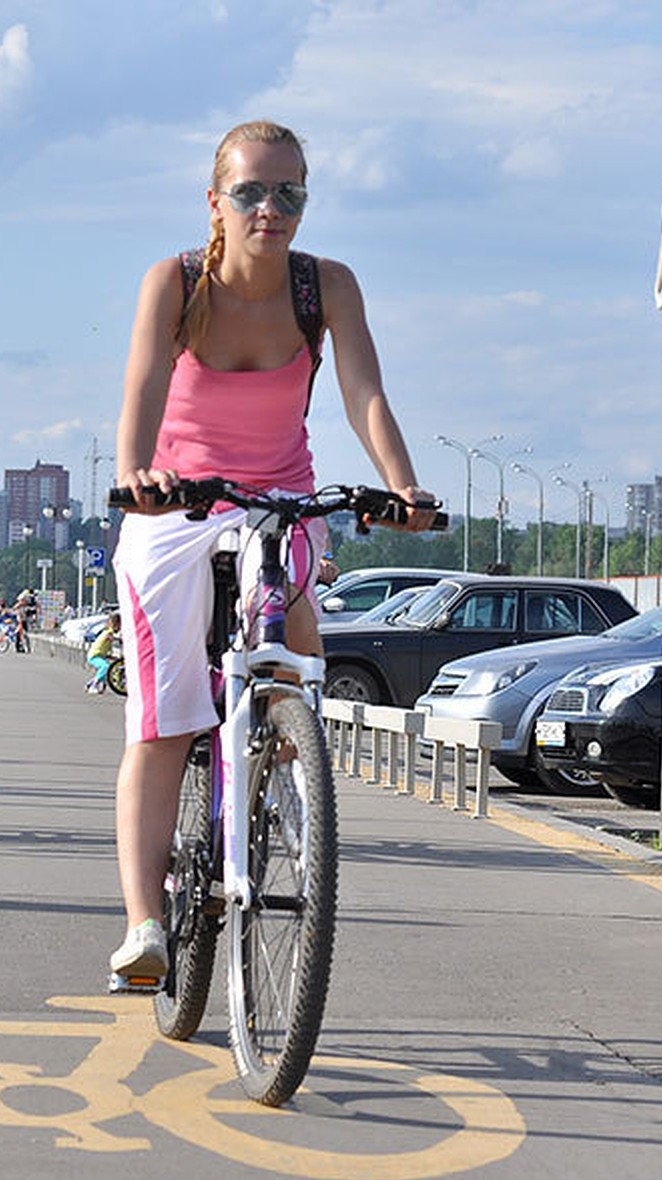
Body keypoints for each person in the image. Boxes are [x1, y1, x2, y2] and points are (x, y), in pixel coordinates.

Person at [108, 119, 437, 981]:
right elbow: (143, 384)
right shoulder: (177, 283)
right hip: (175, 505)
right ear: (216, 201)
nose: (270, 208)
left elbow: (365, 390)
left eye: (289, 192)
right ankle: (145, 923)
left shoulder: (323, 286)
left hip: (277, 499)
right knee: (166, 714)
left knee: (296, 654)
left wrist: (400, 486)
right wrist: (136, 474)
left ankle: (277, 783)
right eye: (251, 191)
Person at [85, 612, 121, 693]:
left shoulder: (107, 631)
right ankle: (94, 686)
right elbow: (112, 638)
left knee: (106, 670)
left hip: (97, 655)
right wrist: (121, 640)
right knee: (106, 667)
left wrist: (113, 657)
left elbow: (104, 649)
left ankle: (90, 684)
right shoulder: (109, 632)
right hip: (94, 656)